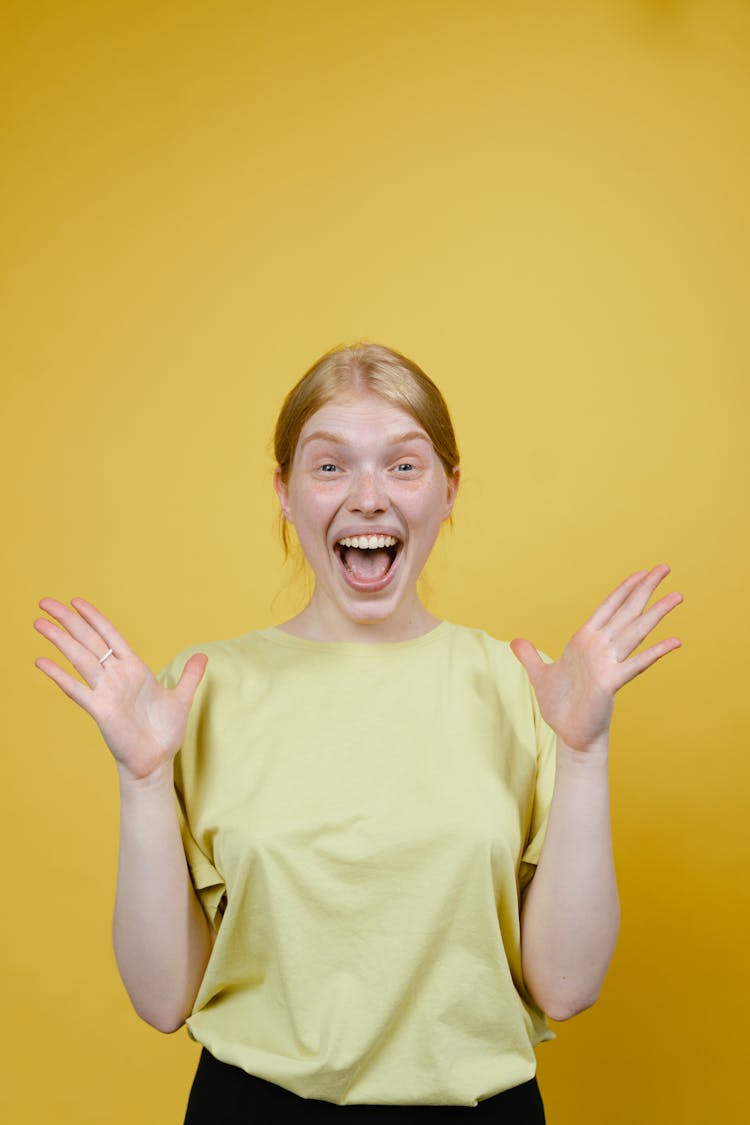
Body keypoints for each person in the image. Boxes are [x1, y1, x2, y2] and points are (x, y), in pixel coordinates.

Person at [34, 342, 683, 1122]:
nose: (369, 497)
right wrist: (142, 782)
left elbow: (568, 987)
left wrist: (583, 754)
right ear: (284, 491)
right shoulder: (200, 692)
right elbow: (162, 997)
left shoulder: (530, 691)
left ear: (450, 490)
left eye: (404, 466)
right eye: (331, 466)